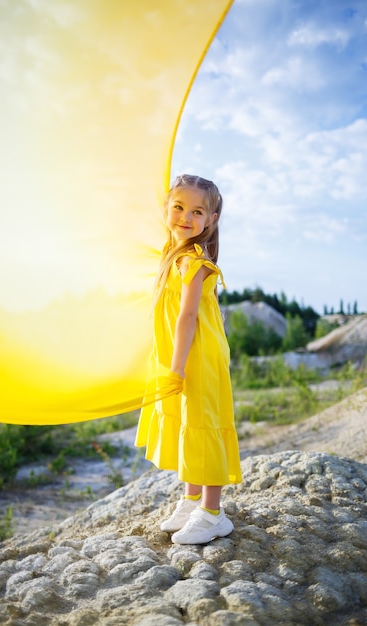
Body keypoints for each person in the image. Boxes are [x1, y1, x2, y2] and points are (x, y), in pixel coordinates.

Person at [135, 174, 242, 545]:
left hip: (198, 358)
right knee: (186, 423)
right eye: (178, 206)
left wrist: (177, 367)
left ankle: (213, 513)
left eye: (197, 211)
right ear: (165, 208)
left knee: (203, 424)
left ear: (210, 220)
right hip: (180, 355)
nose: (185, 216)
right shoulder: (171, 253)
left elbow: (187, 316)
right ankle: (192, 498)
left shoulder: (194, 262)